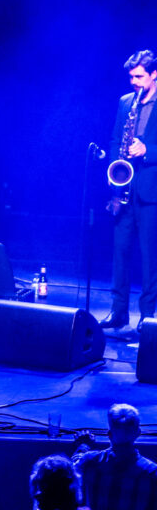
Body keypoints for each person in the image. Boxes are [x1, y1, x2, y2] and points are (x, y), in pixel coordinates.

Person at [102, 50, 157, 331]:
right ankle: (118, 312)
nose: (134, 82)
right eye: (131, 77)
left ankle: (147, 317)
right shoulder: (125, 102)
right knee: (120, 253)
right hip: (125, 191)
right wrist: (115, 181)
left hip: (151, 192)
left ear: (154, 74)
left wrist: (148, 150)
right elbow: (115, 140)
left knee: (150, 260)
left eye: (139, 76)